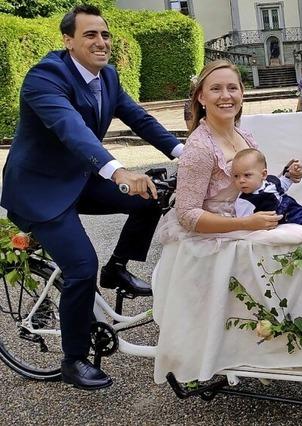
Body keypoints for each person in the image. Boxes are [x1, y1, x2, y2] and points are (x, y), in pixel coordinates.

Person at [0, 5, 183, 390]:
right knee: (81, 265)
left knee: (152, 196)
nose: (101, 42)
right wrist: (118, 171)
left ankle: (116, 269)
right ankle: (73, 359)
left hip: (78, 180)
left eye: (105, 34)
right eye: (90, 35)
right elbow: (71, 130)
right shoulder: (45, 77)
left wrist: (188, 153)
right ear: (68, 41)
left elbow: (142, 120)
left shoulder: (109, 77)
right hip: (39, 191)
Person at [175, 59, 302, 235]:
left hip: (256, 221)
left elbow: (256, 185)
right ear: (201, 97)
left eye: (232, 88)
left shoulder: (246, 137)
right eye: (215, 88)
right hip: (220, 239)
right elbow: (186, 214)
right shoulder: (199, 148)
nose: (226, 95)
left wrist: (287, 175)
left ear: (242, 94)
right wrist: (244, 223)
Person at [232, 148, 302, 234]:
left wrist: (290, 174)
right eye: (236, 176)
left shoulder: (270, 181)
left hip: (293, 205)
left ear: (263, 174)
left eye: (247, 175)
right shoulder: (245, 201)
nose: (241, 180)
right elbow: (246, 221)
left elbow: (284, 184)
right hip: (285, 215)